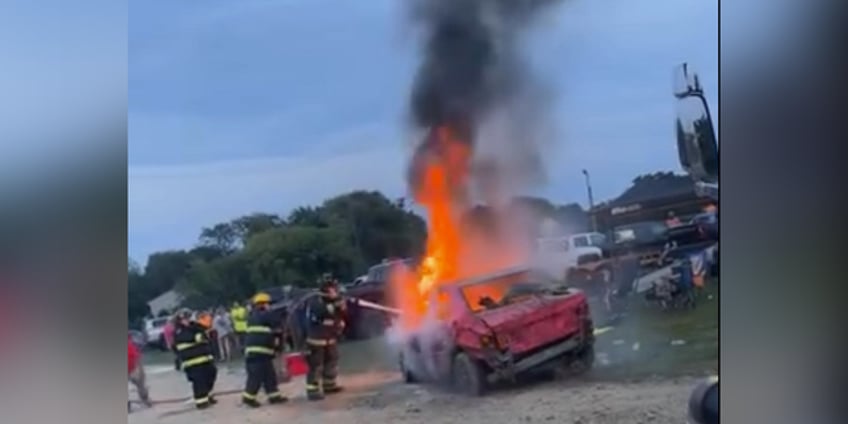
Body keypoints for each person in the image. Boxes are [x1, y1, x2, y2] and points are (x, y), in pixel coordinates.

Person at [304, 274, 347, 401]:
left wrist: (340, 305)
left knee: (332, 360)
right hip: (316, 340)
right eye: (332, 287)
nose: (335, 289)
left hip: (330, 338)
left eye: (335, 287)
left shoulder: (334, 299)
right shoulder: (315, 300)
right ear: (326, 288)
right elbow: (321, 312)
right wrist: (335, 304)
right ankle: (312, 391)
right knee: (316, 365)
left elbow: (341, 314)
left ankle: (329, 385)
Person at [241, 292, 288, 408]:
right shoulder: (263, 315)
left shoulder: (254, 316)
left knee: (269, 375)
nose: (270, 306)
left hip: (262, 353)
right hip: (258, 353)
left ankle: (274, 396)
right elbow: (276, 323)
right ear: (261, 304)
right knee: (256, 376)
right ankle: (248, 398)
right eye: (268, 304)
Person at [173, 308, 218, 409]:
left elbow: (206, 337)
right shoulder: (179, 332)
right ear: (180, 321)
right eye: (185, 319)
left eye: (188, 317)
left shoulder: (195, 327)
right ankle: (201, 402)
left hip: (205, 359)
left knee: (211, 375)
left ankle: (207, 395)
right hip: (192, 362)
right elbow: (192, 338)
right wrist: (200, 335)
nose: (187, 320)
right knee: (199, 381)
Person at [128, 335, 152, 410]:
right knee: (141, 383)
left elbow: (136, 356)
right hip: (133, 367)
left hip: (132, 367)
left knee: (141, 384)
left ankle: (145, 399)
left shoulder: (130, 345)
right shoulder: (130, 345)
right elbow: (136, 356)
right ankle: (145, 400)